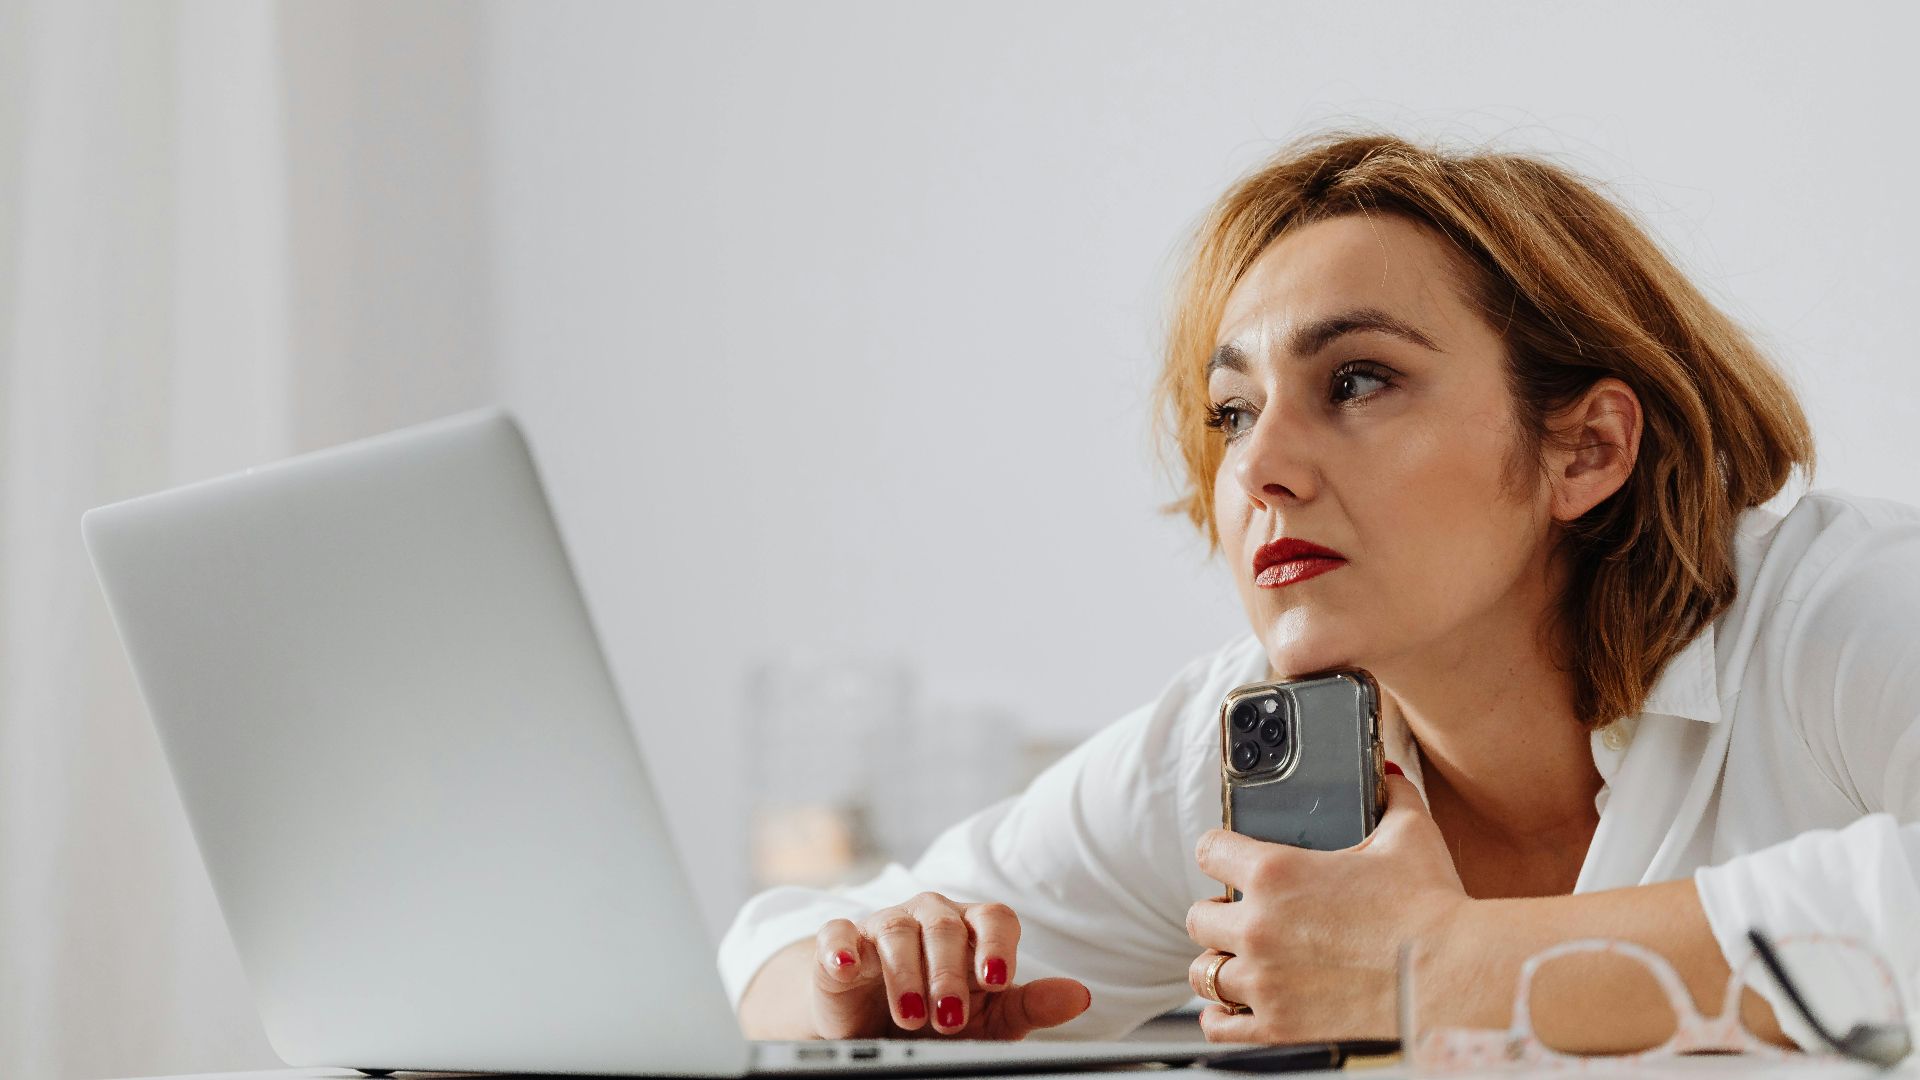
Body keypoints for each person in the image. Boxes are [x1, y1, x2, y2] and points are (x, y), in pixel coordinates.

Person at [718, 130, 1920, 1053]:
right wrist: (857, 998)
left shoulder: (1837, 616)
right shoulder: (1243, 751)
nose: (1258, 468)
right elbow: (759, 958)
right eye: (1232, 412)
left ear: (1585, 450)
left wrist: (1451, 969)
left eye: (1357, 381)